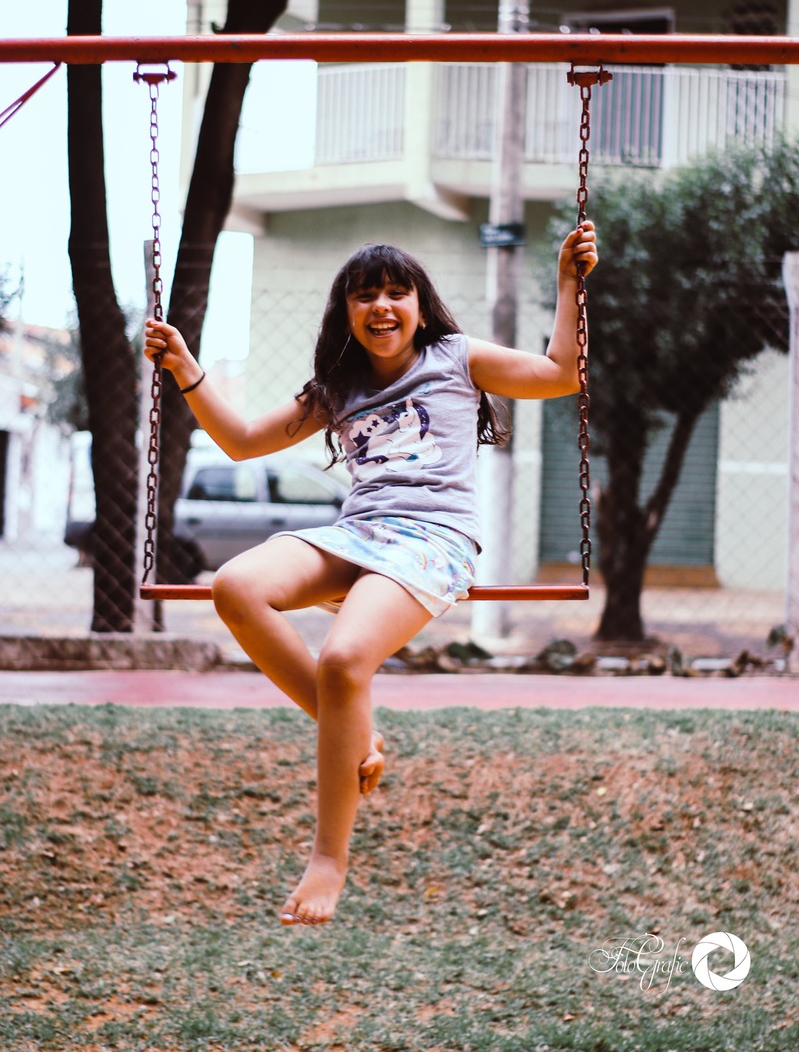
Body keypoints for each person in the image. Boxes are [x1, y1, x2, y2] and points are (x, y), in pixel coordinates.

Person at [143, 222, 598, 928]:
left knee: (344, 659)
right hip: (357, 533)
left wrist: (570, 283)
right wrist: (185, 369)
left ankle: (328, 861)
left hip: (433, 538)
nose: (381, 306)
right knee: (235, 586)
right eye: (365, 295)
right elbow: (240, 441)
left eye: (395, 292)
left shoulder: (456, 357)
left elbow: (562, 375)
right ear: (346, 312)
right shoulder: (339, 386)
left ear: (419, 305)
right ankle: (353, 731)